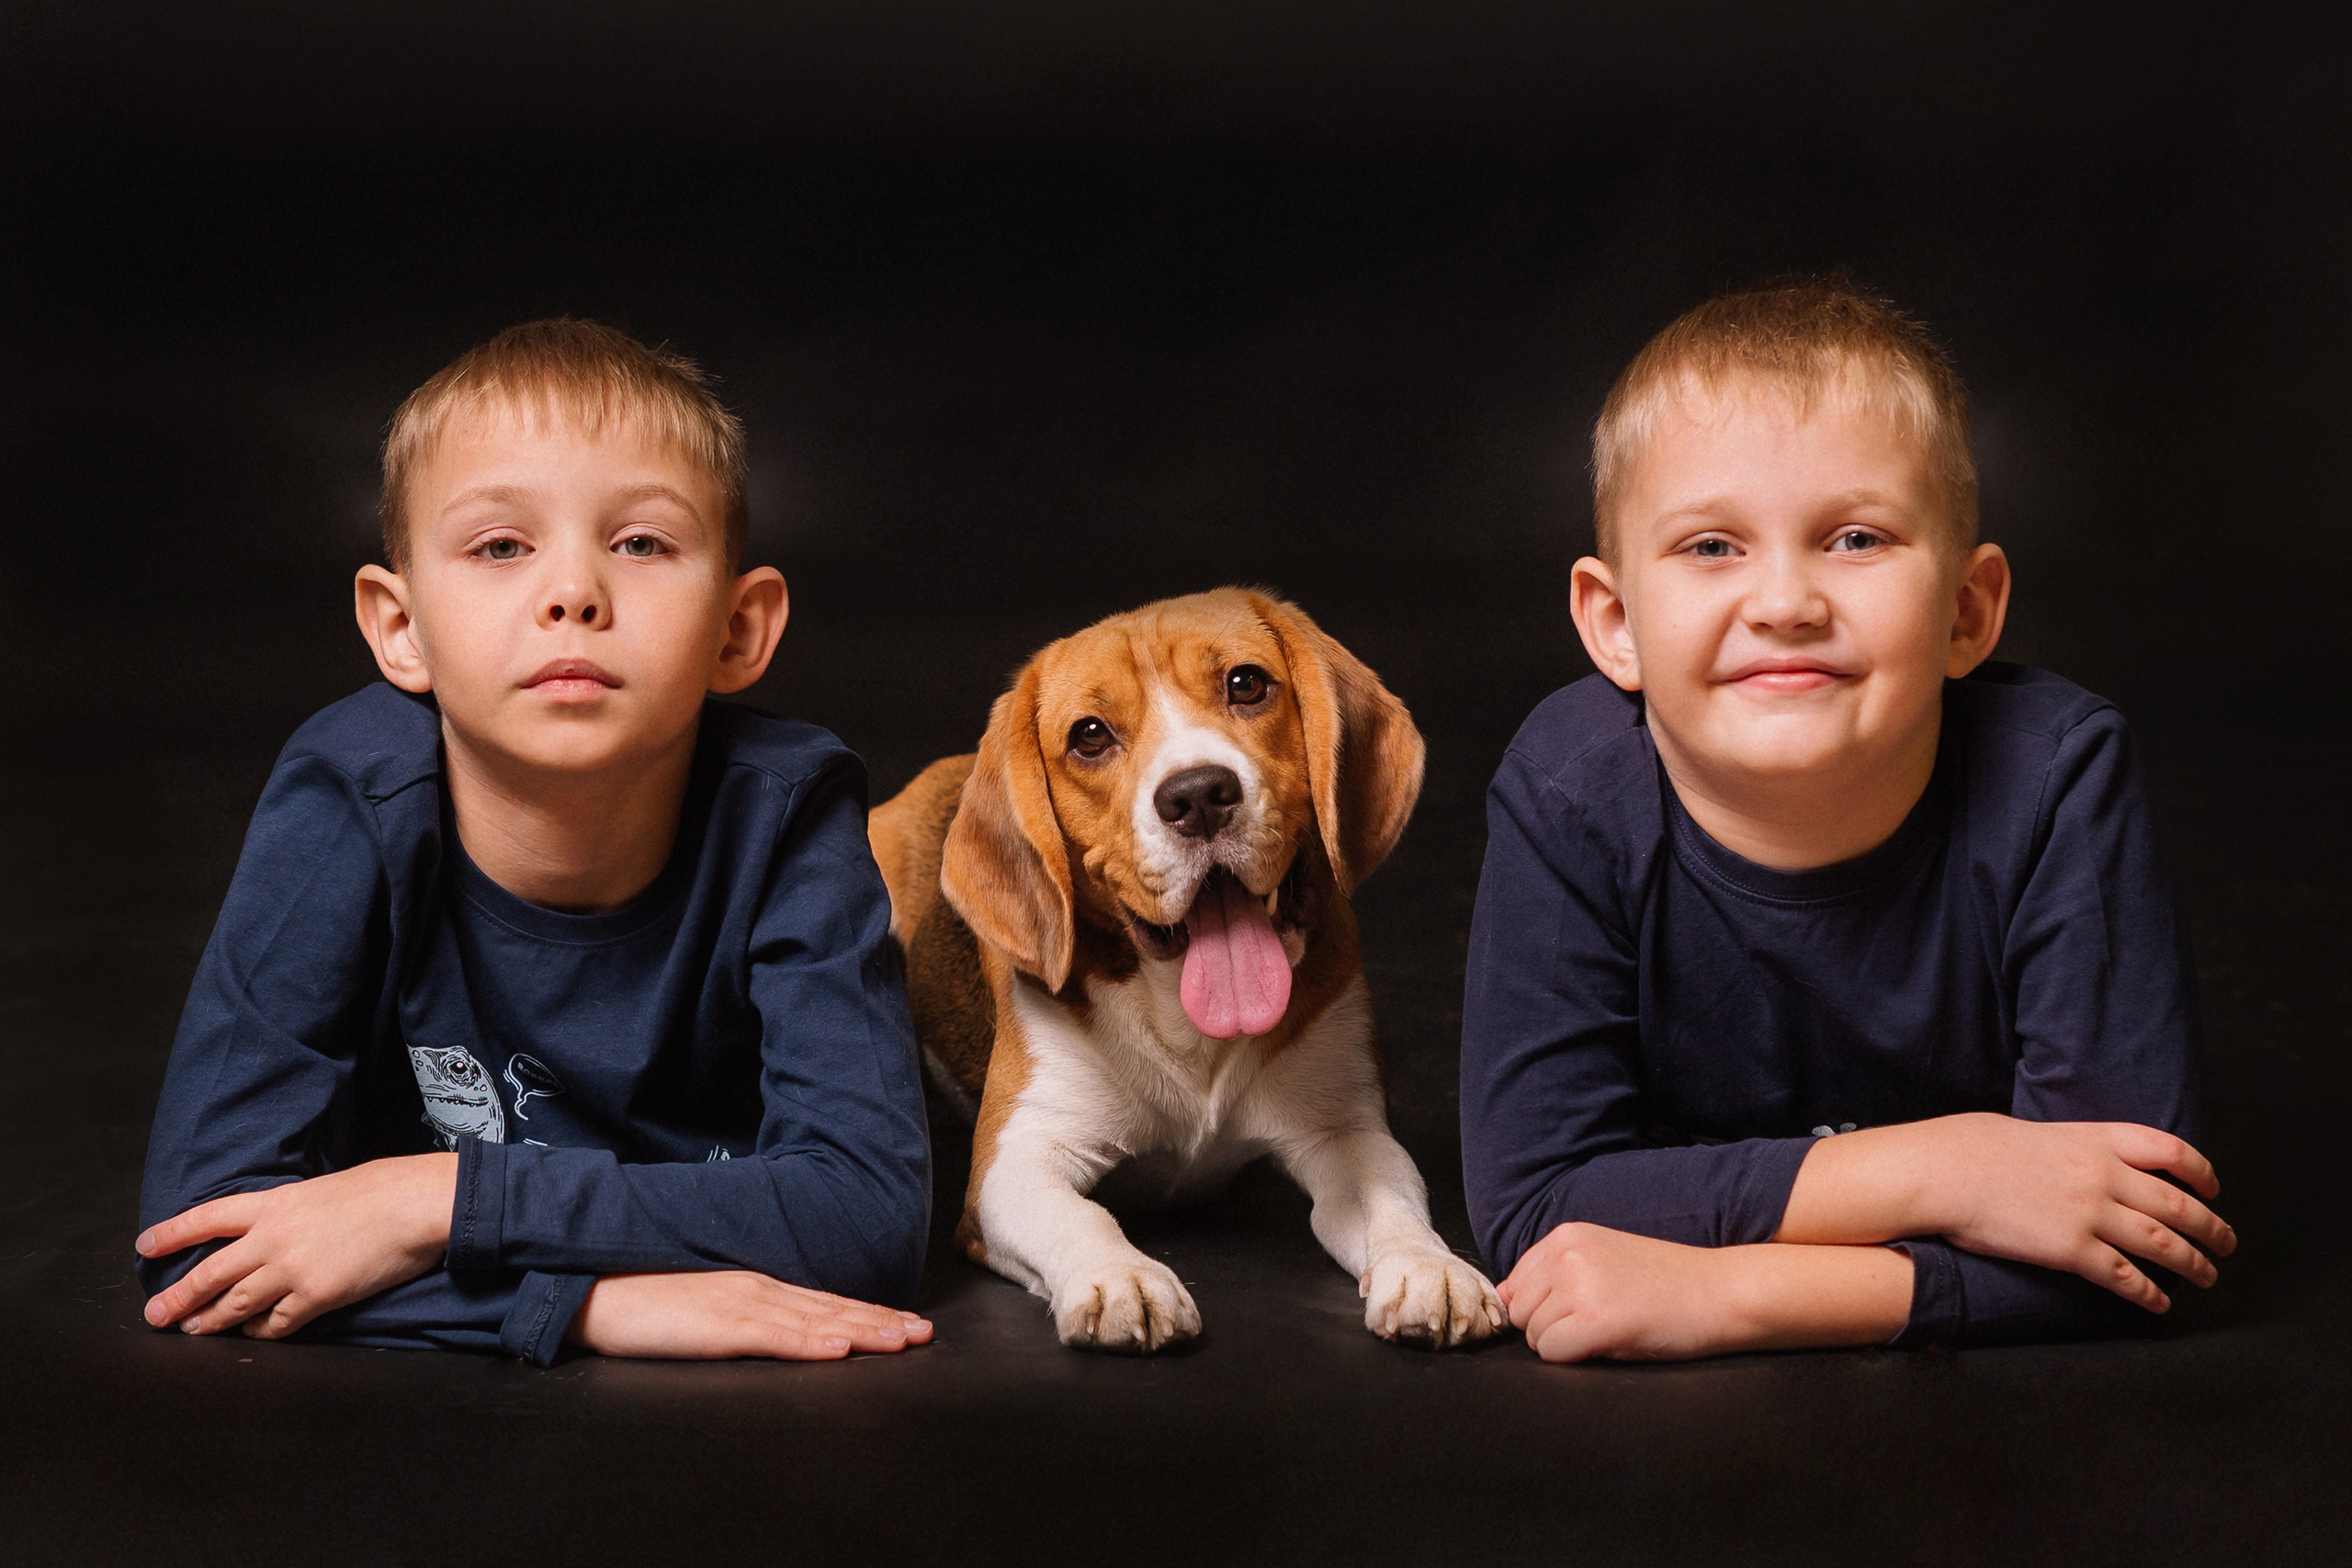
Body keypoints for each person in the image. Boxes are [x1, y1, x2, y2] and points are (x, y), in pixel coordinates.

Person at [133, 320, 933, 1365]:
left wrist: (439, 1200)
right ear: (399, 628)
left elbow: (866, 1219)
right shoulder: (349, 796)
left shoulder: (785, 810)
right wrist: (591, 1308)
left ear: (740, 630)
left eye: (641, 543)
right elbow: (202, 1246)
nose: (573, 594)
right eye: (500, 546)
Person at [1459, 279, 2232, 1360]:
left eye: (1857, 538)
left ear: (1967, 611)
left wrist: (1732, 1296)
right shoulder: (1567, 789)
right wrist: (1950, 1170)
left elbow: (2138, 1236)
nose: (1785, 601)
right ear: (1614, 622)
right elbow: (1537, 1204)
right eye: (1711, 547)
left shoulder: (2059, 775)